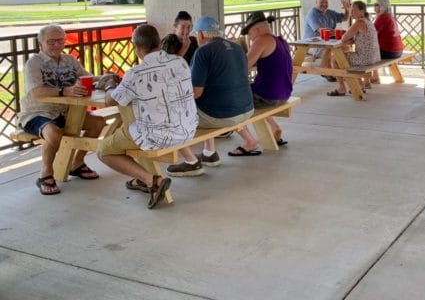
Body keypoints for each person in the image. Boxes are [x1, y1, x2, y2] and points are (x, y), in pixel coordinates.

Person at [98, 25, 197, 209]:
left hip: (157, 136)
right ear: (158, 42)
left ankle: (152, 180)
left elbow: (110, 101)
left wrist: (110, 85)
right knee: (131, 129)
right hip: (188, 129)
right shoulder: (180, 62)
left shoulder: (136, 73)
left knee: (104, 150)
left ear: (136, 47)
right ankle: (142, 179)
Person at [18, 24, 117, 195]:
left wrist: (106, 77)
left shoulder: (69, 60)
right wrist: (64, 91)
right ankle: (45, 173)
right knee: (54, 134)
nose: (57, 45)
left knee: (98, 122)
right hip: (37, 113)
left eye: (60, 41)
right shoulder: (34, 63)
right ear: (40, 43)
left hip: (66, 112)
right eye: (51, 42)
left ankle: (77, 163)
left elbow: (87, 78)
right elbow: (36, 92)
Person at [166, 16, 254, 176]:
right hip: (247, 110)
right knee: (206, 102)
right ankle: (209, 153)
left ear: (200, 34)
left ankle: (191, 162)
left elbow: (196, 92)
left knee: (171, 115)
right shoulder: (237, 47)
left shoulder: (203, 51)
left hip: (222, 116)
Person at [227, 12, 293, 156]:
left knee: (229, 101)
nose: (250, 38)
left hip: (268, 97)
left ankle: (249, 142)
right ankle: (275, 128)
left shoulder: (261, 41)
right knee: (249, 94)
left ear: (256, 29)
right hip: (284, 94)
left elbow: (242, 67)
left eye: (249, 33)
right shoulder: (281, 41)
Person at [327, 1, 381, 97]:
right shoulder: (368, 21)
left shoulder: (359, 22)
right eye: (351, 10)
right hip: (374, 57)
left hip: (365, 59)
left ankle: (341, 88)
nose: (351, 13)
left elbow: (344, 38)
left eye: (354, 10)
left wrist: (345, 34)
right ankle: (360, 85)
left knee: (336, 58)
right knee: (346, 53)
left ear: (362, 11)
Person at [303, 0, 351, 77]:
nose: (324, 4)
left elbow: (345, 18)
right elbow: (322, 31)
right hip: (312, 45)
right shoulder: (312, 14)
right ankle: (326, 72)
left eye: (326, 2)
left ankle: (341, 73)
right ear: (316, 2)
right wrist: (339, 32)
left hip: (327, 43)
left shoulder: (330, 13)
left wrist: (347, 10)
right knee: (332, 50)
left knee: (346, 48)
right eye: (321, 2)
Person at [371, 0, 404, 84]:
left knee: (367, 52)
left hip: (389, 51)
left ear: (383, 6)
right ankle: (375, 76)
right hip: (398, 51)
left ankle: (374, 77)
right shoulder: (389, 16)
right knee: (372, 50)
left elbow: (371, 33)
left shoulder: (383, 17)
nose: (374, 6)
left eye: (376, 4)